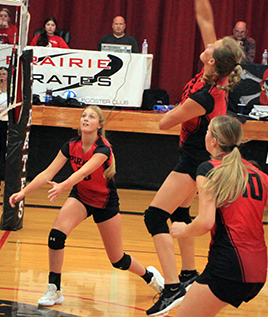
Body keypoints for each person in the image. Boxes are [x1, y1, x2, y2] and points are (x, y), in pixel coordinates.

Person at [144, 0, 244, 316]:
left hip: (195, 160)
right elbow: (205, 17)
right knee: (181, 213)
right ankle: (188, 276)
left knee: (154, 217)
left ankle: (171, 288)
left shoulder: (205, 94)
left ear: (213, 61)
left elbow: (163, 123)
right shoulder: (215, 75)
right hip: (202, 159)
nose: (209, 44)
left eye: (213, 48)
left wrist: (176, 110)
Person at [9, 105, 164, 307]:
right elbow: (48, 173)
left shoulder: (103, 149)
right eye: (83, 115)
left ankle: (149, 275)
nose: (86, 118)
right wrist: (23, 193)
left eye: (91, 117)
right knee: (56, 236)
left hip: (104, 202)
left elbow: (81, 173)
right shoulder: (71, 145)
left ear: (99, 125)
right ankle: (54, 289)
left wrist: (63, 186)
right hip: (81, 197)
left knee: (118, 260)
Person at [170, 115, 268, 317]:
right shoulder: (258, 173)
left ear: (213, 141)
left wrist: (182, 229)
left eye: (209, 130)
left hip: (228, 267)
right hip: (257, 271)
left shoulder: (209, 169)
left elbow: (205, 222)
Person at [0, 67, 8, 191]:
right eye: (0, 74)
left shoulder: (11, 92)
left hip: (7, 125)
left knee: (5, 153)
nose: (1, 76)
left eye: (4, 74)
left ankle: (7, 184)